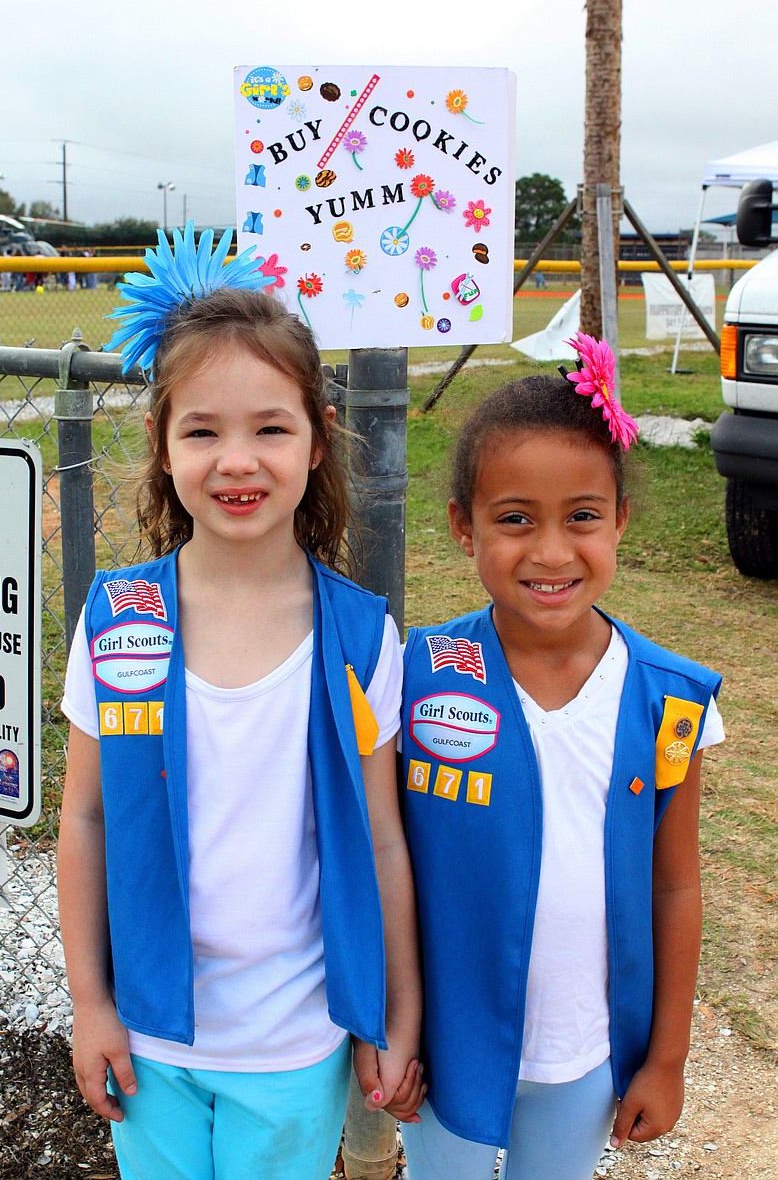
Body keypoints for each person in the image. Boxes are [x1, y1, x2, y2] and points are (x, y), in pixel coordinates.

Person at [57, 223, 423, 1180]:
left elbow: (384, 837)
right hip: (152, 1036)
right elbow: (85, 818)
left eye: (270, 426)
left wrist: (393, 1012)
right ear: (161, 442)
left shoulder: (361, 635)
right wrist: (91, 1002)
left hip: (295, 1043)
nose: (237, 460)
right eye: (203, 430)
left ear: (317, 437)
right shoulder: (117, 618)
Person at [400, 335, 723, 1180]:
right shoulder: (416, 675)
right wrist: (390, 1026)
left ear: (620, 519)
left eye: (581, 515)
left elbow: (676, 881)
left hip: (584, 1052)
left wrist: (667, 1058)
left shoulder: (673, 701)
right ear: (463, 528)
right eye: (515, 519)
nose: (550, 552)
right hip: (445, 1049)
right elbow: (383, 861)